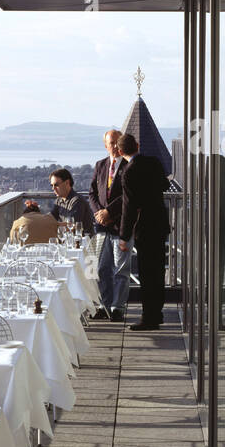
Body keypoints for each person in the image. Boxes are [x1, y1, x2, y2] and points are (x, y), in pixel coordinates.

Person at [118, 132, 170, 331]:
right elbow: (165, 184)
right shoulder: (154, 162)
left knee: (147, 274)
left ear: (120, 151)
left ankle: (149, 317)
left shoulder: (128, 172)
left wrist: (124, 236)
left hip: (144, 226)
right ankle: (157, 313)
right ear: (138, 146)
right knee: (158, 272)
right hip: (159, 223)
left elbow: (128, 208)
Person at [88, 129, 132, 320]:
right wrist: (99, 213)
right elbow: (92, 193)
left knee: (121, 270)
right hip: (101, 227)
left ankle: (117, 308)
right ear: (105, 145)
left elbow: (128, 195)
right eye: (110, 142)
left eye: (116, 142)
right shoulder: (100, 165)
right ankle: (104, 306)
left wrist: (109, 213)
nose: (113, 146)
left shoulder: (129, 166)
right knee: (100, 269)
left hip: (120, 226)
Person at [49, 167, 95, 235]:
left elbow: (71, 226)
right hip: (68, 240)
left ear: (67, 183)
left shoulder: (78, 201)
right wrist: (34, 209)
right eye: (51, 185)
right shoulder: (59, 201)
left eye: (56, 185)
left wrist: (50, 225)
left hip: (83, 242)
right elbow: (50, 218)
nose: (53, 188)